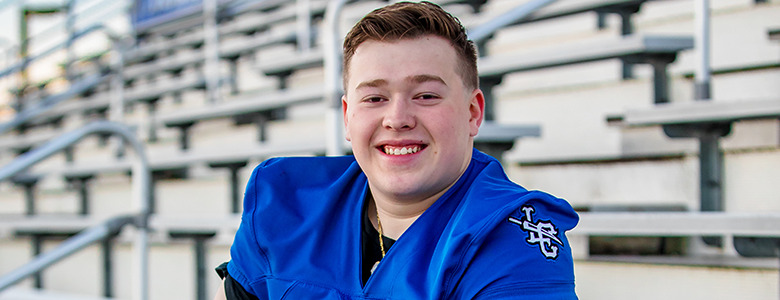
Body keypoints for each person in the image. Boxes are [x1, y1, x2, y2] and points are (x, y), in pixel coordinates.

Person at [214, 1, 579, 299]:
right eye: (375, 97)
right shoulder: (285, 203)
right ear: (347, 116)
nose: (397, 118)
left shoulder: (514, 242)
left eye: (426, 96)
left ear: (472, 112)